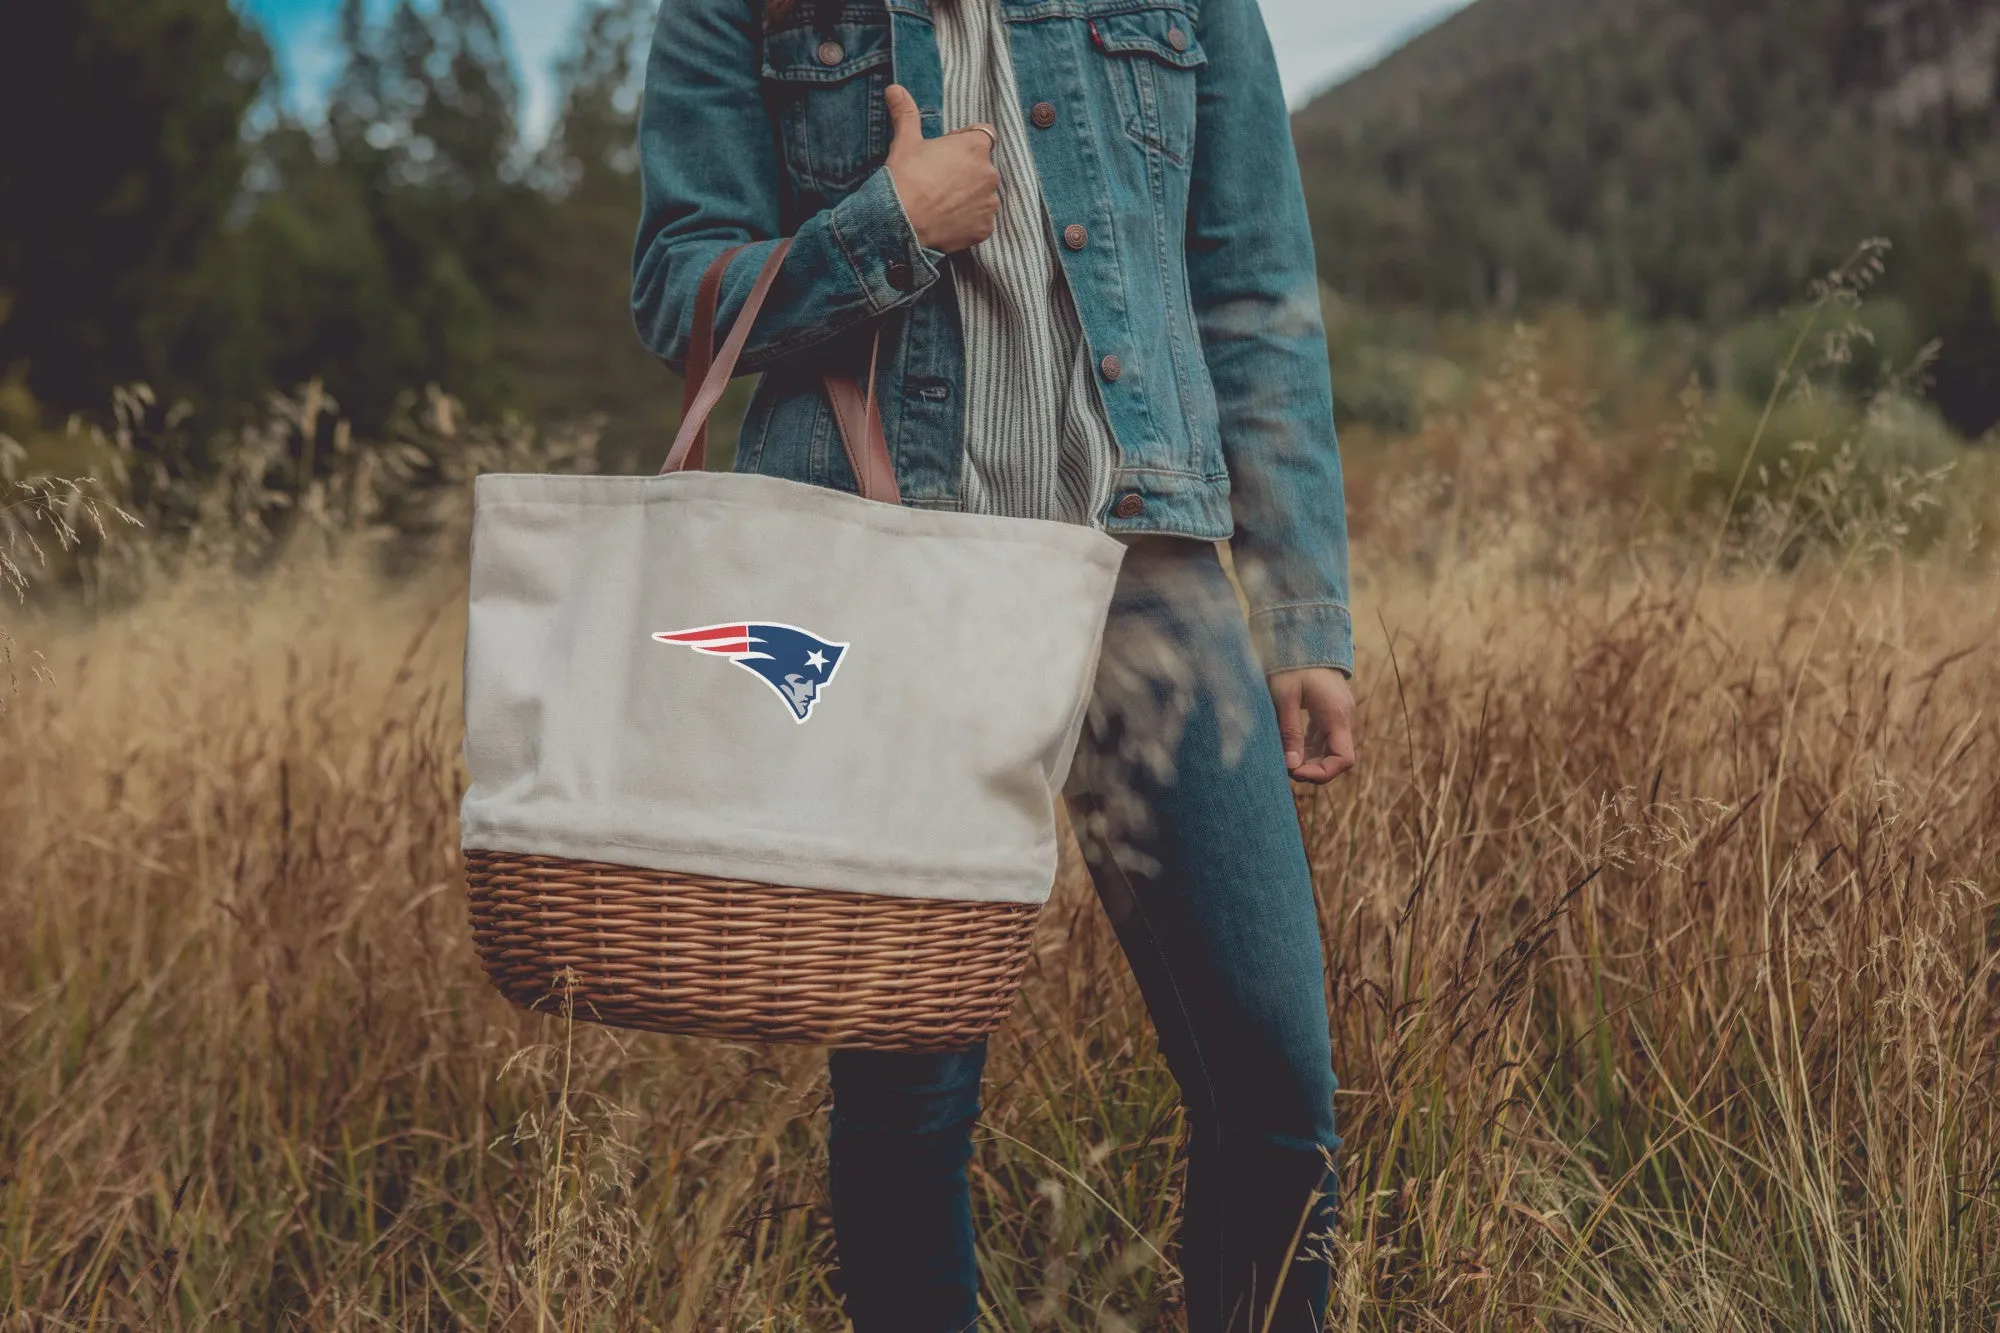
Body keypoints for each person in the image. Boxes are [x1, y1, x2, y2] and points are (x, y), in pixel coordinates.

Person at [633, 0, 1356, 1326]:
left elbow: (1251, 286)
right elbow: (679, 286)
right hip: (892, 586)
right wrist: (884, 230)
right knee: (910, 1101)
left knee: (1274, 1085)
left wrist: (1304, 607)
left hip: (1151, 579)